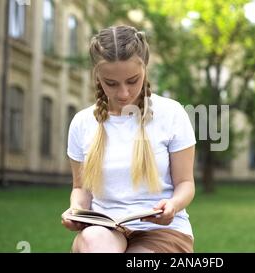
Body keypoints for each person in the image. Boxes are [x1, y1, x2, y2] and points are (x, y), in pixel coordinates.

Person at [61, 25, 197, 253]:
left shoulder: (172, 114)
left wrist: (173, 205)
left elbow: (185, 183)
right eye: (111, 83)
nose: (123, 93)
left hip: (162, 231)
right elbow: (81, 188)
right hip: (105, 229)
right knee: (94, 241)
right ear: (97, 76)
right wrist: (76, 210)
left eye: (132, 80)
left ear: (145, 68)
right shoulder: (82, 122)